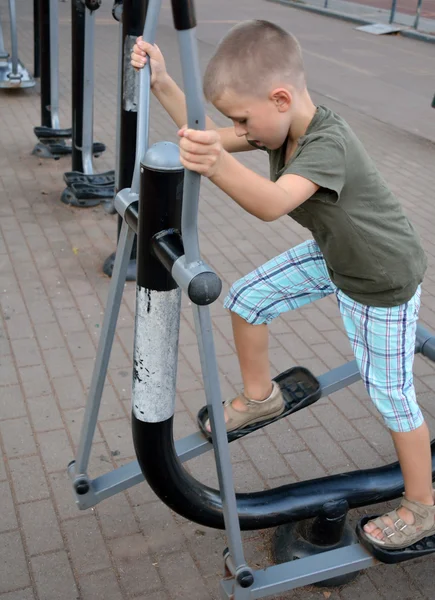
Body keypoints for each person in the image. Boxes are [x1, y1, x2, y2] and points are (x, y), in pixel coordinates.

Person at [131, 20, 435, 552]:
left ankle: (423, 505)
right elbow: (209, 135)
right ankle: (261, 396)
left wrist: (218, 163)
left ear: (279, 98)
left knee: (391, 395)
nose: (238, 128)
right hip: (336, 253)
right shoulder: (276, 124)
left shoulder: (328, 142)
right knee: (249, 298)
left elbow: (270, 205)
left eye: (243, 118)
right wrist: (163, 83)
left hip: (378, 275)